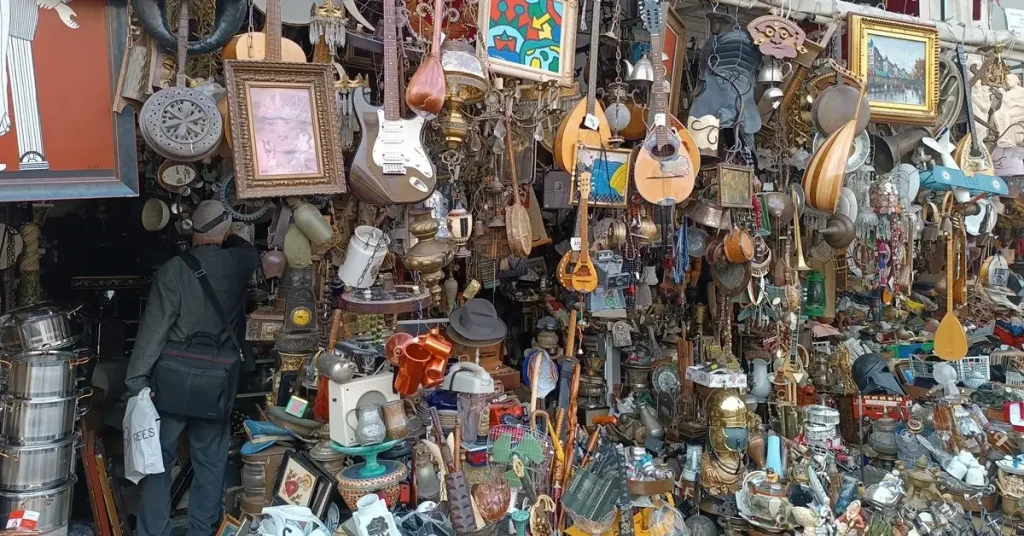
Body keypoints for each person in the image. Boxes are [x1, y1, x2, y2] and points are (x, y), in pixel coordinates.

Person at [126, 201, 258, 536]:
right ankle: (203, 530)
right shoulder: (240, 264)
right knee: (211, 463)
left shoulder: (173, 270)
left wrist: (137, 380)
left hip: (171, 381)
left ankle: (154, 531)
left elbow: (154, 330)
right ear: (225, 230)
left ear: (191, 230)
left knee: (158, 463)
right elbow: (245, 246)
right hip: (217, 383)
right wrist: (231, 232)